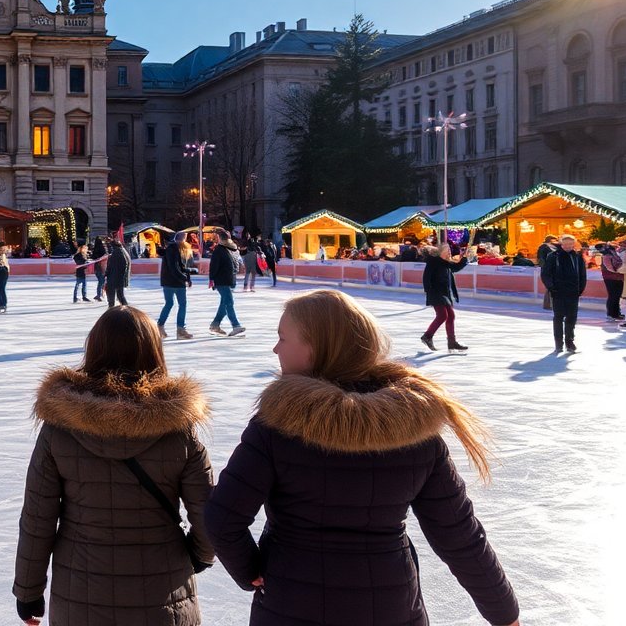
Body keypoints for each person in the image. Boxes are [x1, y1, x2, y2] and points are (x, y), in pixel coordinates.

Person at [204, 289, 520, 626]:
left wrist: (250, 572)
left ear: (315, 348)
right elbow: (459, 535)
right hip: (390, 606)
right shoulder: (413, 426)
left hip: (291, 603)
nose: (276, 348)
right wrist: (505, 614)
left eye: (282, 338)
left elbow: (223, 519)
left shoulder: (276, 426)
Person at [13, 306, 215, 626]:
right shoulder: (179, 428)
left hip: (81, 599)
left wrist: (28, 591)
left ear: (94, 350)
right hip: (163, 598)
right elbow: (209, 515)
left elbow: (37, 519)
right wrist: (198, 557)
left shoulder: (59, 429)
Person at [541, 234, 587, 353]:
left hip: (573, 292)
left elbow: (582, 274)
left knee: (572, 317)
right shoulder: (553, 256)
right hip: (558, 292)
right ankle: (558, 343)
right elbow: (545, 274)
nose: (568, 246)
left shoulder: (577, 257)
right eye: (566, 244)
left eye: (570, 244)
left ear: (574, 244)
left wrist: (580, 288)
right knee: (559, 317)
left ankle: (569, 341)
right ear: (561, 244)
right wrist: (552, 288)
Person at [421, 244, 469, 352]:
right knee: (442, 315)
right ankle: (427, 336)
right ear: (440, 251)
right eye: (447, 250)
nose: (449, 252)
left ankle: (452, 342)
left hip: (445, 293)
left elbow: (455, 268)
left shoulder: (446, 263)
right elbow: (426, 276)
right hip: (436, 292)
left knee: (451, 316)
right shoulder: (434, 261)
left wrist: (464, 258)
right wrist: (428, 290)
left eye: (450, 250)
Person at [156, 236, 195, 339]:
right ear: (182, 240)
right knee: (179, 304)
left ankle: (163, 326)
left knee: (171, 304)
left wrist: (188, 276)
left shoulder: (176, 249)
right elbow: (175, 268)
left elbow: (182, 266)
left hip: (171, 281)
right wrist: (184, 278)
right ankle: (179, 329)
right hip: (173, 282)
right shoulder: (173, 250)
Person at [208, 230, 246, 337]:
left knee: (224, 304)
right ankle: (236, 325)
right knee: (229, 302)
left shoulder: (229, 249)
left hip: (228, 280)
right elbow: (214, 266)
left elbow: (235, 264)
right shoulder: (219, 250)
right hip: (221, 281)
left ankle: (215, 325)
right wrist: (212, 279)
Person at [600, 241, 626, 320]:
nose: (617, 248)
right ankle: (611, 314)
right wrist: (618, 271)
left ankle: (616, 313)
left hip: (618, 277)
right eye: (615, 247)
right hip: (610, 278)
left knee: (617, 296)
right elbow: (609, 267)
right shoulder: (607, 256)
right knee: (613, 295)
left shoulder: (615, 254)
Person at [103, 239, 130, 307]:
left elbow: (110, 266)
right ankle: (126, 308)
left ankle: (112, 309)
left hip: (114, 277)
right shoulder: (123, 251)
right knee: (120, 295)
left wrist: (106, 273)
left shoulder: (115, 253)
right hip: (119, 278)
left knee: (112, 295)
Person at [90, 237, 107, 301]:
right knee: (102, 281)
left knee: (101, 281)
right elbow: (105, 256)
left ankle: (100, 294)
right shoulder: (102, 249)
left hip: (96, 268)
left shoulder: (95, 249)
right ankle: (99, 295)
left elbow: (93, 257)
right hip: (101, 267)